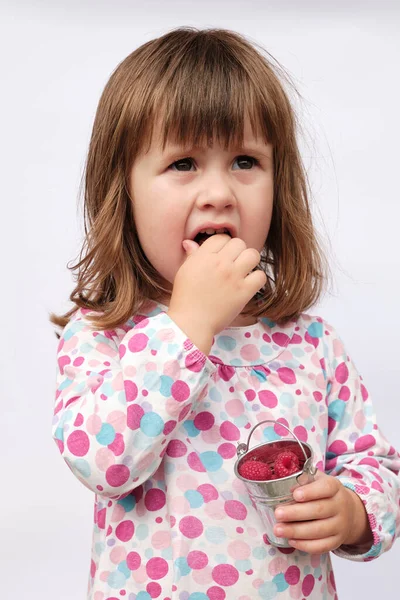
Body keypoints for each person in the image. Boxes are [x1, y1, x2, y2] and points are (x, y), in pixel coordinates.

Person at [51, 26, 400, 600]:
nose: (219, 192)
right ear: (125, 193)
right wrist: (187, 327)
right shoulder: (105, 339)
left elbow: (374, 464)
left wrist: (354, 510)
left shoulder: (311, 346)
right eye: (184, 163)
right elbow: (103, 462)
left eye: (244, 160)